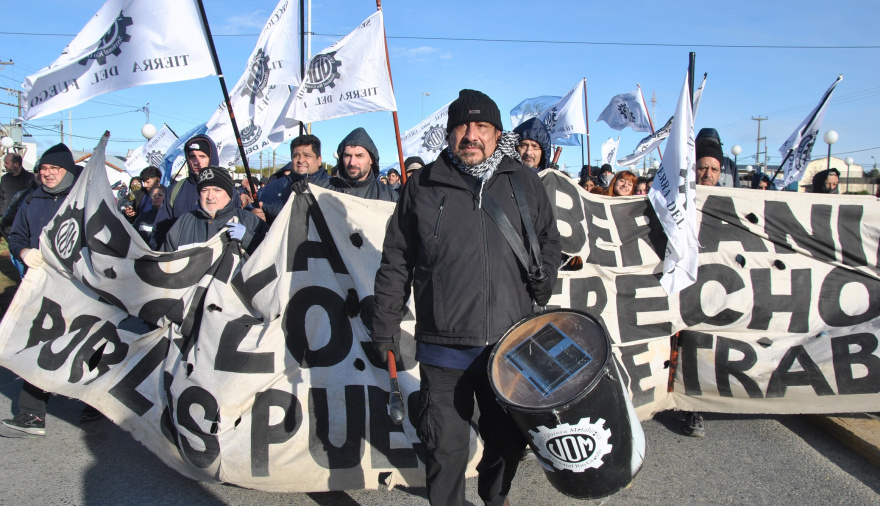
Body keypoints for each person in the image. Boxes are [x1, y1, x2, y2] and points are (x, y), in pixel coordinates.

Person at [371, 89, 561, 506]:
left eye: (482, 127)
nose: (471, 135)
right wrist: (384, 326)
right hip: (444, 350)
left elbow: (549, 239)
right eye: (462, 125)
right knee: (445, 450)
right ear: (449, 132)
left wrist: (546, 274)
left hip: (509, 346)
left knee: (510, 442)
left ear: (496, 134)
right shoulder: (422, 185)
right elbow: (396, 261)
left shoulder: (524, 181)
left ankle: (496, 498)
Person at [2, 143, 100, 436]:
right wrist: (22, 252)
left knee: (87, 342)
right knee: (37, 343)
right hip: (41, 283)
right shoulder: (31, 199)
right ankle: (32, 414)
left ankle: (96, 402)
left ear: (67, 171)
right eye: (43, 169)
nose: (47, 174)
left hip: (80, 285)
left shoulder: (86, 200)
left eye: (53, 169)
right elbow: (16, 235)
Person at [153, 135, 241, 248]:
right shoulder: (175, 190)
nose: (197, 162)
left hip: (221, 257)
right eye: (192, 156)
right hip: (182, 259)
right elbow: (159, 231)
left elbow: (239, 220)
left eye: (202, 156)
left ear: (211, 157)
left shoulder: (228, 190)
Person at [163, 167, 267, 255]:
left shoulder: (250, 221)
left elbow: (271, 255)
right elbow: (165, 263)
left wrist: (248, 238)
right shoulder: (183, 224)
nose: (210, 196)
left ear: (229, 195)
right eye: (204, 190)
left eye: (217, 190)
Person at [257, 134, 330, 224]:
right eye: (296, 156)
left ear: (319, 160)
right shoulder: (272, 188)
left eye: (307, 155)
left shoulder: (334, 187)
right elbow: (249, 215)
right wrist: (254, 216)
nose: (301, 160)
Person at [312, 127, 398, 202]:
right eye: (348, 156)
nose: (352, 162)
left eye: (359, 156)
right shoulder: (321, 190)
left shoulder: (389, 197)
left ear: (371, 160)